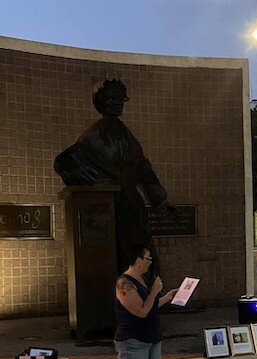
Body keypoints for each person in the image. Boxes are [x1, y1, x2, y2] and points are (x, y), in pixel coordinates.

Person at [54, 78, 178, 275]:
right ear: (101, 102)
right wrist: (72, 169)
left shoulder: (127, 136)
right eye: (112, 98)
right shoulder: (91, 137)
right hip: (110, 207)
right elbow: (64, 161)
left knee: (143, 254)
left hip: (132, 205)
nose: (118, 102)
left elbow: (143, 169)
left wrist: (161, 200)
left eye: (121, 98)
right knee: (118, 257)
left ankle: (147, 298)